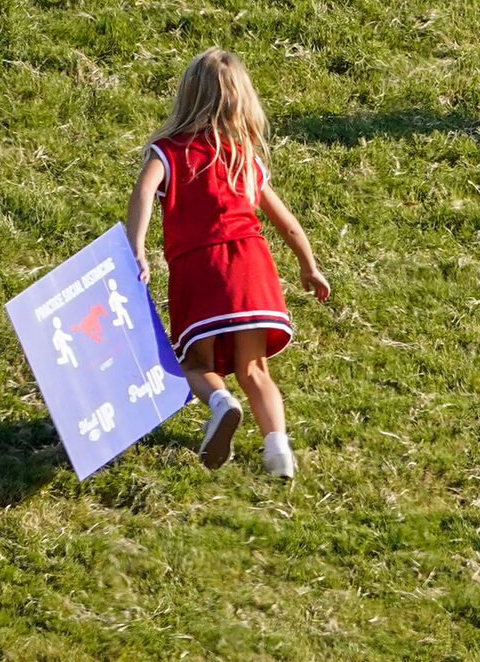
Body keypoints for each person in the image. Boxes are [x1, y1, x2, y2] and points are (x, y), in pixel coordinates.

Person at [123, 49, 332, 479]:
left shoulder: (168, 151)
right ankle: (279, 455)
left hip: (200, 270)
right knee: (254, 369)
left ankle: (221, 403)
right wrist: (309, 266)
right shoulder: (246, 158)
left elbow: (144, 193)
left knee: (195, 364)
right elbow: (287, 224)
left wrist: (137, 247)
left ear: (187, 95)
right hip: (253, 268)